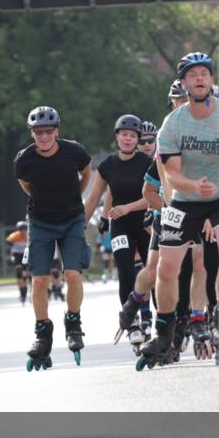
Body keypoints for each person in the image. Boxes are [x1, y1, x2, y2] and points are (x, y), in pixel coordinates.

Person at [139, 51, 219, 363]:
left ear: (211, 80)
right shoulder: (174, 123)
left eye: (204, 74)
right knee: (167, 267)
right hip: (187, 197)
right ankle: (163, 330)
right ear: (183, 83)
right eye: (192, 75)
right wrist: (194, 186)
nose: (199, 79)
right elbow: (171, 174)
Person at [14, 105, 93, 370]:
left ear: (56, 131)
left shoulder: (74, 151)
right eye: (38, 132)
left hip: (71, 218)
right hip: (40, 221)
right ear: (32, 133)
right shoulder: (24, 160)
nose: (43, 136)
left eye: (48, 131)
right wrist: (42, 199)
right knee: (38, 279)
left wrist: (74, 198)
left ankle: (73, 321)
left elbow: (87, 174)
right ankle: (42, 333)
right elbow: (26, 185)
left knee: (72, 274)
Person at [84, 114, 154, 343]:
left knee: (152, 273)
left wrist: (127, 207)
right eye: (124, 135)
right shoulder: (107, 166)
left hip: (145, 224)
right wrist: (82, 226)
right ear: (116, 137)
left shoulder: (147, 163)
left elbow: (155, 197)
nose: (128, 139)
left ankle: (159, 320)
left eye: (132, 136)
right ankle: (132, 323)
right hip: (120, 226)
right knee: (125, 270)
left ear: (137, 140)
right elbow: (93, 198)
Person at [6, 221, 30, 305]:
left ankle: (24, 289)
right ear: (18, 230)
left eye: (25, 230)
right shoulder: (15, 236)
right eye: (21, 230)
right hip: (17, 256)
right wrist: (9, 256)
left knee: (25, 274)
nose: (23, 232)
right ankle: (22, 293)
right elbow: (8, 242)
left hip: (25, 256)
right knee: (19, 273)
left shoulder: (28, 236)